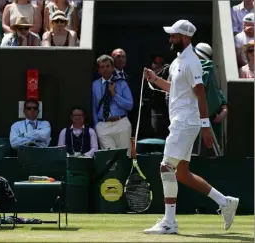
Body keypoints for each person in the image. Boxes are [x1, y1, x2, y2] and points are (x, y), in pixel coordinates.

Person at [143, 20, 239, 235]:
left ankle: (169, 222)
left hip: (186, 122)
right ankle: (225, 202)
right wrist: (155, 79)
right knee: (182, 173)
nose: (170, 39)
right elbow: (175, 89)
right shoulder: (178, 61)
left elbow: (200, 93)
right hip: (181, 121)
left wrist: (206, 126)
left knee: (166, 166)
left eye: (174, 36)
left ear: (185, 37)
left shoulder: (192, 61)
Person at [92, 54, 133, 157]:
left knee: (124, 157)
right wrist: (97, 125)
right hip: (103, 125)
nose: (105, 69)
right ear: (99, 70)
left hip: (121, 123)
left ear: (112, 67)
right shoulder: (95, 85)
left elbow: (130, 105)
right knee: (109, 158)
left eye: (107, 66)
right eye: (102, 67)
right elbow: (94, 107)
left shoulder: (121, 83)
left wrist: (115, 94)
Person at [194, 43, 228, 149]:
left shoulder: (207, 70)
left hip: (208, 123)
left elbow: (220, 99)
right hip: (194, 122)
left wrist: (223, 112)